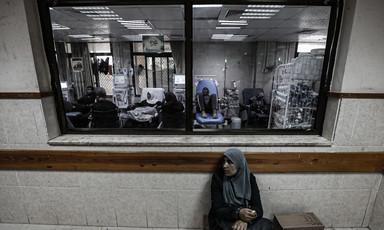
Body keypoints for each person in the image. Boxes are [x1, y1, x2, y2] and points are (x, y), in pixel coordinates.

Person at [208, 148, 272, 230]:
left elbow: (258, 209)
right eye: (224, 161)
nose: (225, 165)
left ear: (239, 163)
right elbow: (217, 209)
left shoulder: (249, 178)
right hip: (225, 218)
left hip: (245, 219)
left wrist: (246, 219)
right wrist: (238, 212)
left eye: (230, 162)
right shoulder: (218, 178)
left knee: (267, 224)